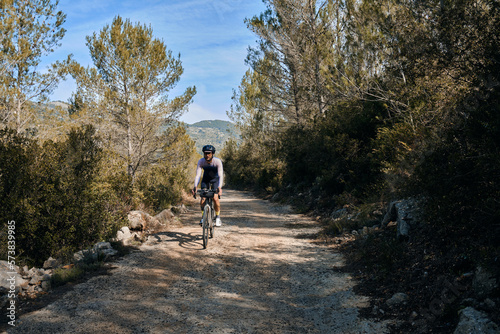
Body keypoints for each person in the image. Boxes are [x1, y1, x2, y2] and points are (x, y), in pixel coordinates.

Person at [191, 144, 223, 227]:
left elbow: (220, 175)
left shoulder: (217, 161)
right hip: (205, 180)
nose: (207, 155)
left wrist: (219, 187)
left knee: (215, 198)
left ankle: (218, 217)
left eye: (209, 153)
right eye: (205, 153)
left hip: (215, 180)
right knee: (202, 200)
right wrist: (195, 186)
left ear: (212, 154)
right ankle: (203, 217)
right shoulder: (201, 161)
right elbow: (198, 175)